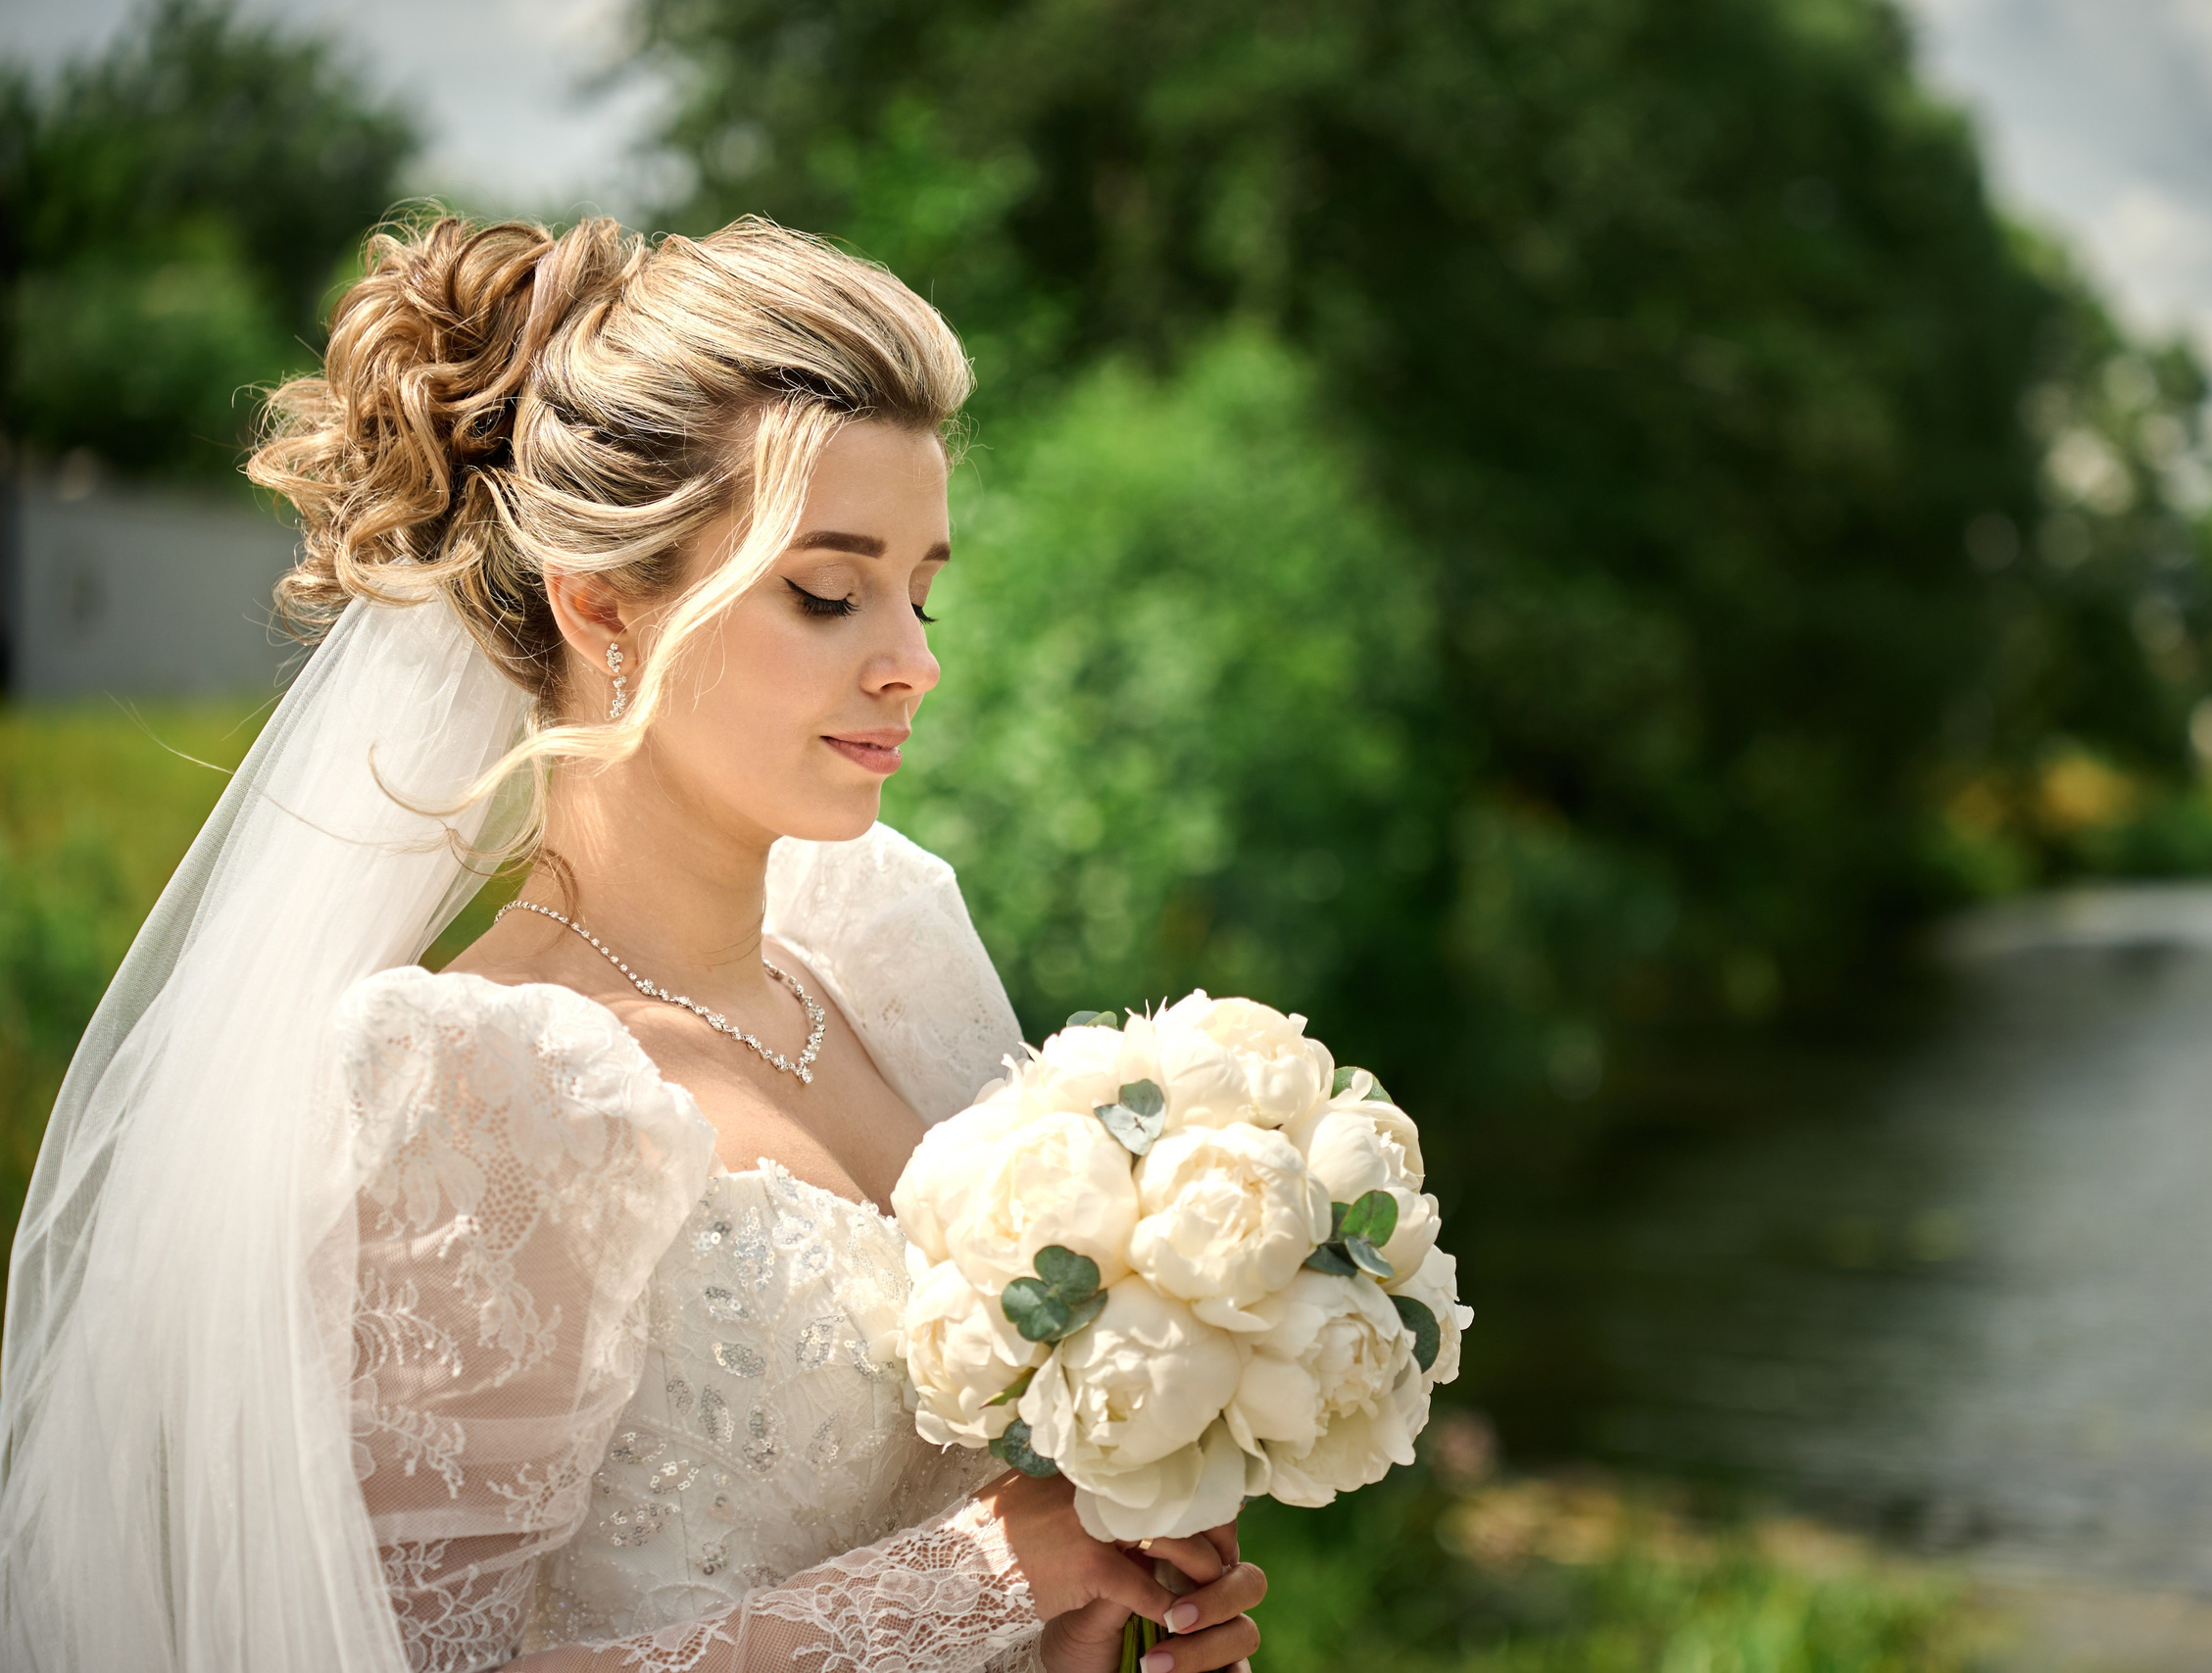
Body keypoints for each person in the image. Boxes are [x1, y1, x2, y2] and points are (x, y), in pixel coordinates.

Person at [0, 214, 1264, 1673]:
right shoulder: (486, 1088)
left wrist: (1089, 1616)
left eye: (922, 591)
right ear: (601, 602)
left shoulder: (881, 958)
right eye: (827, 591)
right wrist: (969, 1582)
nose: (914, 660)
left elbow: (1001, 1536)